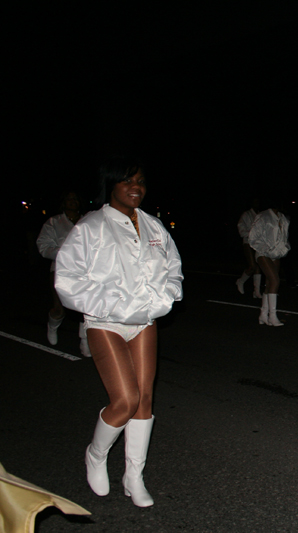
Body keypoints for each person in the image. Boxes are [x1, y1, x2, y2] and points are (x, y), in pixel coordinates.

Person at [55, 157, 183, 507]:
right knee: (124, 400)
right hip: (105, 322)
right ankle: (96, 454)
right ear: (111, 185)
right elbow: (67, 279)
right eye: (128, 181)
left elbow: (174, 271)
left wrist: (163, 298)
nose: (136, 188)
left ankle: (133, 476)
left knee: (144, 400)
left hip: (144, 322)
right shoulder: (91, 227)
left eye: (140, 181)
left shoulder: (155, 227)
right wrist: (111, 304)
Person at [36, 191, 91, 357]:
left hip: (85, 270)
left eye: (75, 198)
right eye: (69, 199)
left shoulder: (88, 219)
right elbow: (43, 246)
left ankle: (85, 340)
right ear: (63, 202)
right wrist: (66, 253)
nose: (72, 201)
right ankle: (53, 324)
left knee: (86, 307)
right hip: (61, 269)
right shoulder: (54, 222)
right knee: (60, 307)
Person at [248, 204, 290, 326]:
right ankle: (272, 315)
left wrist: (284, 248)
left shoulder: (282, 217)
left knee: (269, 283)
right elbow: (253, 237)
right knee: (275, 281)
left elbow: (284, 237)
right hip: (263, 252)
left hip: (275, 254)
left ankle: (263, 314)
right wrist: (266, 249)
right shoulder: (263, 216)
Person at [235, 198, 262, 298]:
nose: (257, 204)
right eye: (255, 202)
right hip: (248, 242)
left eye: (258, 202)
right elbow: (241, 230)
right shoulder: (246, 215)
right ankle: (240, 281)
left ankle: (257, 291)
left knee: (259, 266)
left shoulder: (260, 214)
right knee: (252, 266)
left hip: (258, 244)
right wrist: (252, 234)